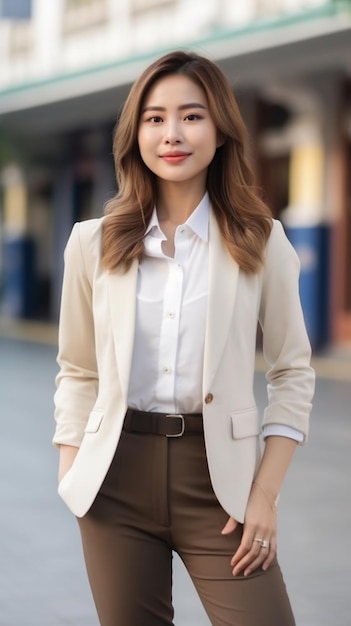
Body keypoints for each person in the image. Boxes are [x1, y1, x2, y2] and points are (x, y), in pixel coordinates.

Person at [53, 50, 315, 626]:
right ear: (136, 133)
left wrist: (264, 494)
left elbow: (292, 370)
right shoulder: (91, 244)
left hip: (219, 483)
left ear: (220, 130)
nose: (172, 133)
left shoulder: (260, 242)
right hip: (114, 481)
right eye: (154, 118)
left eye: (192, 116)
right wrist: (73, 472)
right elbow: (78, 369)